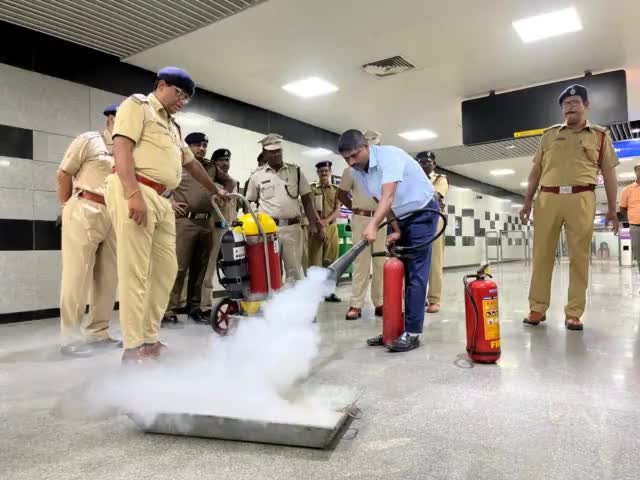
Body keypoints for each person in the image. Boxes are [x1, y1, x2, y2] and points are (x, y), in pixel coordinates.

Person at [105, 67, 232, 364]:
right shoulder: (138, 106)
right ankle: (133, 347)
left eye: (187, 98)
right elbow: (122, 149)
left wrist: (215, 189)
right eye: (179, 93)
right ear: (162, 85)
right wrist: (132, 193)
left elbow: (192, 165)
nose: (183, 101)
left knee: (165, 271)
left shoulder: (173, 127)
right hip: (138, 189)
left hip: (163, 199)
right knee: (135, 270)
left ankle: (150, 339)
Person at [520, 84, 619, 331]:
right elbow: (536, 171)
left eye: (574, 102)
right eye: (565, 104)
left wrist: (612, 209)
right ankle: (537, 308)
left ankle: (574, 312)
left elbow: (608, 174)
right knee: (542, 255)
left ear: (586, 105)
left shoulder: (600, 135)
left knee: (579, 257)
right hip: (548, 199)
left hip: (582, 198)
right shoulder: (549, 135)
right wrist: (527, 201)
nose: (569, 107)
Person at [338, 129, 439, 352]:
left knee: (415, 274)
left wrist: (373, 225)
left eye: (354, 155)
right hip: (402, 216)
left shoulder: (389, 156)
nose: (351, 162)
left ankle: (412, 333)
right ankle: (392, 330)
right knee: (394, 271)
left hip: (423, 212)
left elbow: (388, 195)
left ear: (366, 147)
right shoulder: (357, 172)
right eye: (346, 158)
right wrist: (396, 229)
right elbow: (380, 200)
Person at [56, 103, 121, 357]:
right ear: (111, 118)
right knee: (77, 275)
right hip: (86, 207)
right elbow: (63, 174)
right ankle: (69, 337)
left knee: (108, 276)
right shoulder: (89, 141)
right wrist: (67, 207)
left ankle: (98, 332)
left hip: (114, 214)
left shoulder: (130, 149)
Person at [163, 133, 228, 325]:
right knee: (179, 267)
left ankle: (195, 308)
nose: (202, 148)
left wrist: (222, 193)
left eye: (205, 145)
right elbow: (161, 184)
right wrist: (169, 200)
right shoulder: (177, 163)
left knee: (200, 269)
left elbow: (230, 181)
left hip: (206, 223)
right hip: (184, 222)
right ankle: (168, 309)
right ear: (188, 146)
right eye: (197, 145)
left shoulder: (211, 166)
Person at [245, 133, 323, 286]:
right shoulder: (257, 176)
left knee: (293, 270)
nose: (276, 154)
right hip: (267, 231)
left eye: (279, 150)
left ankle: (292, 306)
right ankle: (273, 305)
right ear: (264, 153)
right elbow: (249, 203)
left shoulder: (296, 172)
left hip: (292, 228)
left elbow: (307, 199)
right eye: (272, 151)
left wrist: (313, 223)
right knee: (270, 269)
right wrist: (253, 228)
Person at [337, 166, 385, 321]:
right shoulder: (351, 171)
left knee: (380, 262)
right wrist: (355, 209)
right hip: (360, 218)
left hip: (381, 219)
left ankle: (380, 302)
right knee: (360, 263)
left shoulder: (383, 170)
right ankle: (356, 304)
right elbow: (341, 194)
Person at [201, 148, 239, 315]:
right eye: (222, 160)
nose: (225, 164)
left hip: (232, 233)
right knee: (209, 270)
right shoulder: (212, 185)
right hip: (216, 230)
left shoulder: (234, 184)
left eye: (227, 160)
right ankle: (205, 305)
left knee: (233, 268)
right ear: (215, 164)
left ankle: (234, 302)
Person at [415, 151, 449, 313]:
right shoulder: (412, 179)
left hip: (434, 221)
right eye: (420, 162)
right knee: (417, 262)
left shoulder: (440, 179)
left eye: (427, 161)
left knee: (435, 262)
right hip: (416, 222)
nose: (424, 164)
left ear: (434, 164)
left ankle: (434, 299)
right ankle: (418, 298)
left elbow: (434, 196)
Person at [309, 161, 342, 302]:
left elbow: (338, 209)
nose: (324, 173)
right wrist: (319, 225)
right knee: (315, 262)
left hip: (331, 227)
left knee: (331, 262)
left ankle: (329, 292)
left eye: (326, 171)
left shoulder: (336, 189)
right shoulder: (311, 189)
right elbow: (309, 208)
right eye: (321, 171)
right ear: (317, 173)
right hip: (316, 228)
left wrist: (326, 222)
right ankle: (314, 293)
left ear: (329, 172)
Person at [620, 163, 640, 274]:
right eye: (639, 169)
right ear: (635, 171)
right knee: (639, 256)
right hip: (635, 227)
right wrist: (632, 218)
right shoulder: (627, 190)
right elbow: (622, 208)